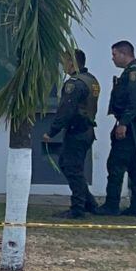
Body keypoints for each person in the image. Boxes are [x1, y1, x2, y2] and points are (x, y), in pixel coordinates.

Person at [101, 40, 136, 217]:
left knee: (117, 163)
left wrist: (123, 123)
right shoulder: (132, 72)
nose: (112, 58)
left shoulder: (134, 74)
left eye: (114, 54)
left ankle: (112, 205)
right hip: (134, 123)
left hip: (132, 125)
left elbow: (134, 102)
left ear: (124, 54)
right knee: (135, 165)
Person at [47, 49, 101, 218]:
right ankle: (89, 202)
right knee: (70, 165)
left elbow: (66, 111)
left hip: (77, 131)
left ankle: (78, 208)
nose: (62, 64)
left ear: (72, 62)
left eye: (64, 60)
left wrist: (51, 132)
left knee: (72, 168)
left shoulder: (74, 84)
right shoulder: (91, 80)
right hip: (86, 131)